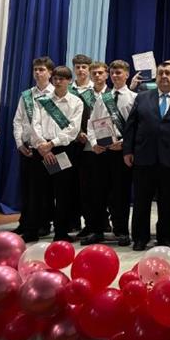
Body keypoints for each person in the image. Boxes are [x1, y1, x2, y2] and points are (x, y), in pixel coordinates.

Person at [123, 62, 170, 250]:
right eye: (161, 73)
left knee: (168, 202)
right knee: (141, 201)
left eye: (168, 73)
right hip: (144, 157)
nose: (164, 76)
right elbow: (131, 126)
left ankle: (165, 237)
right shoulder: (142, 97)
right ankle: (140, 238)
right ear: (156, 77)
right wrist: (128, 151)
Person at [27, 66, 84, 243]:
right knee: (37, 192)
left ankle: (61, 232)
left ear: (69, 81)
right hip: (41, 150)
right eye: (55, 79)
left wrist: (52, 144)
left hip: (62, 150)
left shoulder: (76, 102)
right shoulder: (42, 100)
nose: (58, 82)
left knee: (63, 193)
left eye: (62, 79)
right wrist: (43, 147)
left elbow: (73, 129)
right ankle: (32, 231)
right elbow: (34, 125)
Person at [85, 60, 136, 247]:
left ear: (127, 74)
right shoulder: (102, 98)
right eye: (113, 72)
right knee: (98, 192)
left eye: (119, 72)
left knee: (120, 194)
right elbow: (91, 123)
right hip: (102, 151)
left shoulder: (134, 98)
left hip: (121, 152)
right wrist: (93, 143)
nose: (115, 76)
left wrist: (124, 144)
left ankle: (121, 231)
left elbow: (136, 127)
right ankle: (97, 230)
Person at [11, 56, 55, 235]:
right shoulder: (27, 95)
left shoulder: (56, 94)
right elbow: (18, 120)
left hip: (47, 148)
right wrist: (19, 143)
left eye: (42, 70)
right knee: (27, 188)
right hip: (28, 148)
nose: (38, 73)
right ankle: (25, 222)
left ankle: (44, 223)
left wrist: (46, 146)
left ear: (50, 73)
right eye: (35, 69)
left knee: (46, 188)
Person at [79, 61, 113, 245]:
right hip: (87, 148)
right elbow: (77, 118)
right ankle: (91, 225)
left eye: (101, 72)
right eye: (94, 73)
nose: (98, 76)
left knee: (109, 190)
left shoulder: (113, 94)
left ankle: (106, 223)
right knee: (89, 190)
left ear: (107, 74)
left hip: (111, 148)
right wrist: (80, 133)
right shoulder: (83, 96)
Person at [69, 54, 93, 236]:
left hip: (90, 144)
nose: (81, 70)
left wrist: (88, 135)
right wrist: (76, 133)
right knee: (70, 185)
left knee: (89, 186)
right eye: (77, 67)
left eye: (84, 67)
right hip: (70, 143)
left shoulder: (95, 91)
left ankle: (93, 222)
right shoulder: (67, 90)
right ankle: (73, 221)